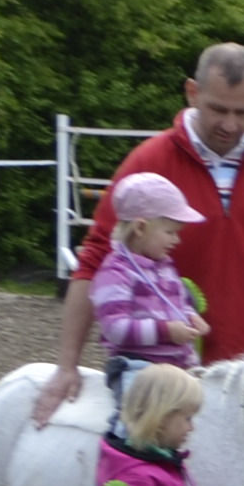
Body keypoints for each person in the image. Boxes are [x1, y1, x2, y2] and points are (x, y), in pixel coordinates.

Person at [30, 43, 244, 425]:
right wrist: (66, 366)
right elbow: (95, 260)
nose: (229, 125)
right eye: (218, 109)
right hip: (179, 380)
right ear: (193, 92)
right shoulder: (148, 163)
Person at [88, 169, 210, 411]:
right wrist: (166, 331)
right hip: (137, 368)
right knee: (138, 418)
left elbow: (177, 303)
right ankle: (122, 448)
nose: (177, 240)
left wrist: (190, 317)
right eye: (170, 232)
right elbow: (115, 328)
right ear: (140, 228)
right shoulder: (115, 273)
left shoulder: (165, 267)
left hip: (177, 366)